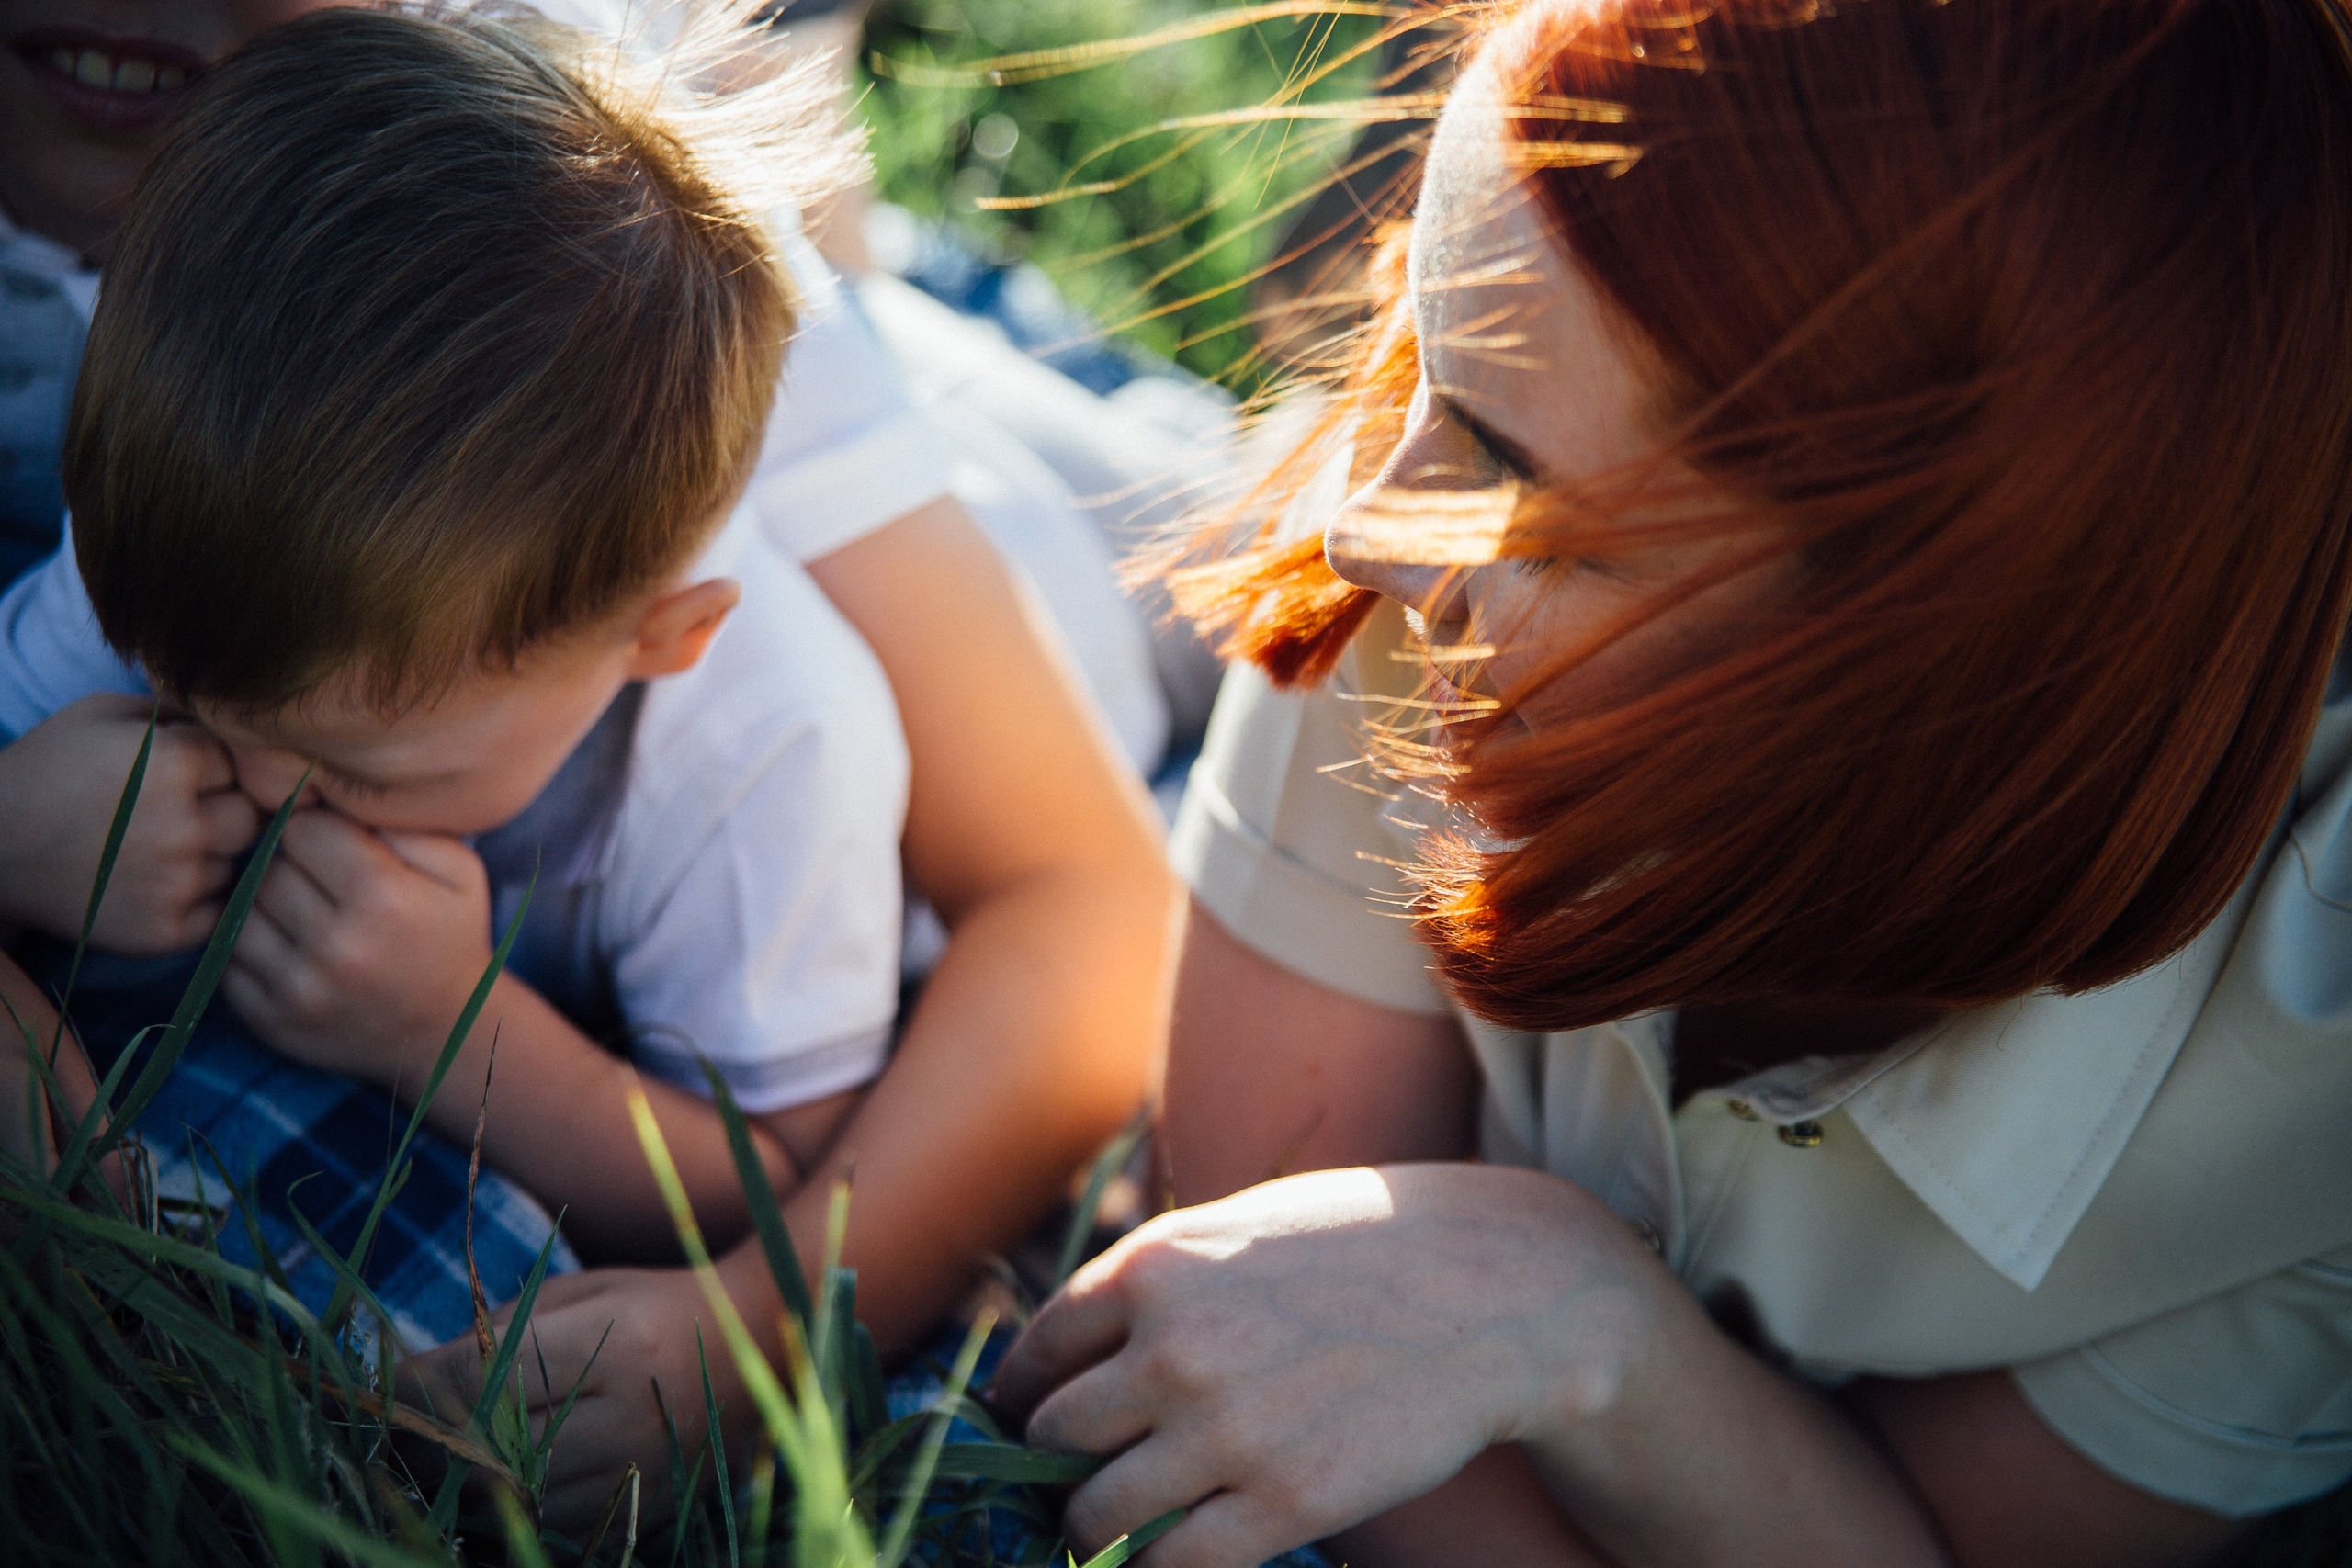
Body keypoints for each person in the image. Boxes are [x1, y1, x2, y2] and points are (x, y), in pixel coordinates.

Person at [990, 0, 2352, 1563]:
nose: (1371, 522)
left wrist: (1581, 1332)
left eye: (1517, 484)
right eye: (1428, 361)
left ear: (1925, 650)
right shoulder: (1432, 522)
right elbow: (1252, 1309)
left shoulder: (2312, 1062)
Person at [0, 0, 1170, 1525]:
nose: (256, 789)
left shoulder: (770, 743)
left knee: (1166, 541)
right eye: (192, 705)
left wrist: (753, 1324)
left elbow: (1079, 923)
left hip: (1052, 594)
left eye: (345, 762)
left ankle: (945, 302)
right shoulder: (191, 519)